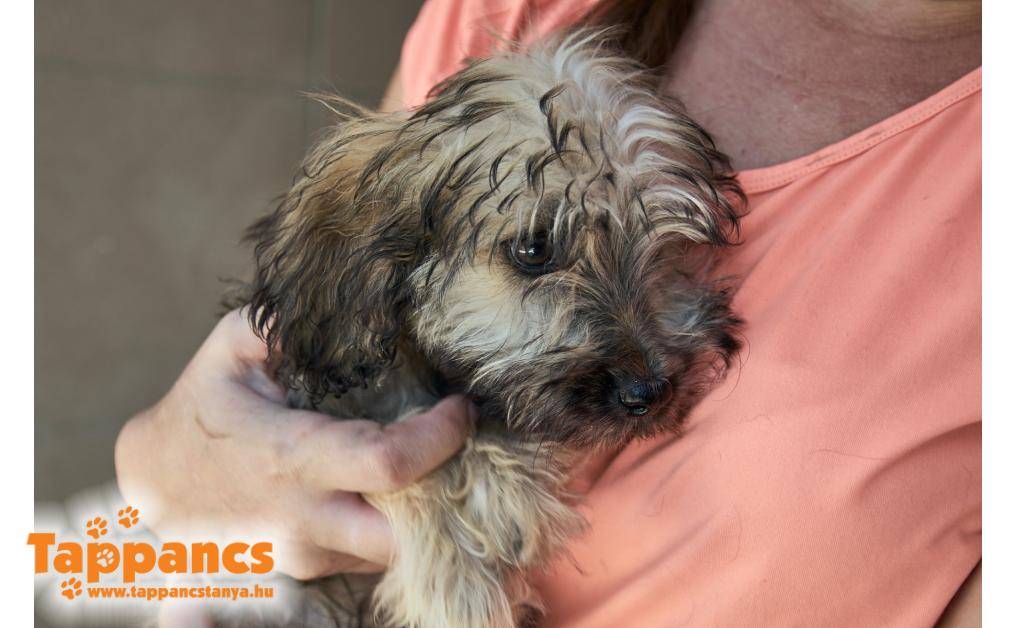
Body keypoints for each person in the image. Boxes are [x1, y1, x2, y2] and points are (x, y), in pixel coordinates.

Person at [116, 0, 982, 625]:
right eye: (535, 254)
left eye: (663, 251)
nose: (645, 361)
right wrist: (165, 463)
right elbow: (194, 476)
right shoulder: (501, 16)